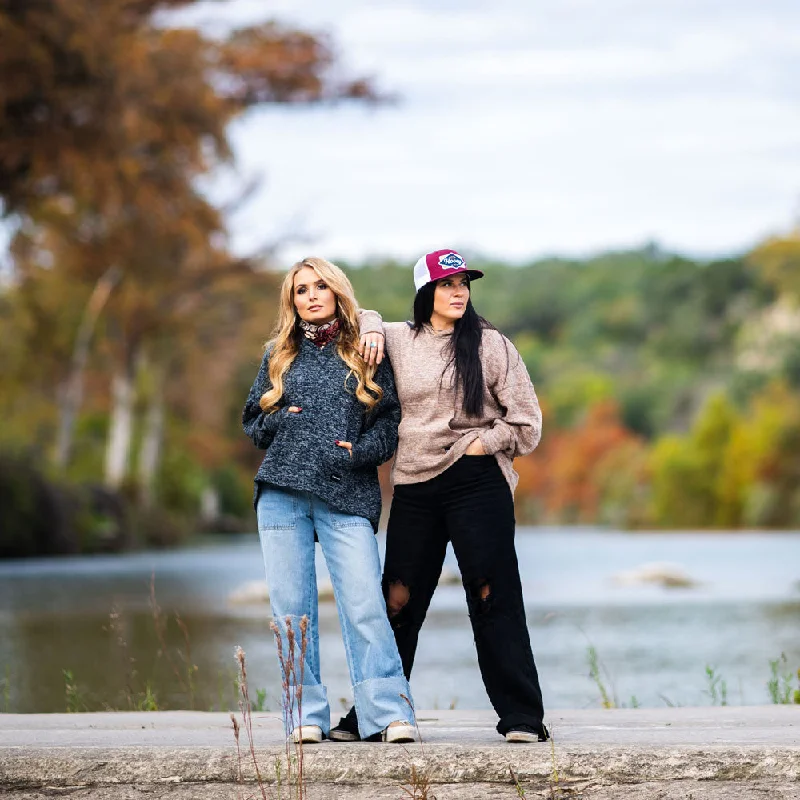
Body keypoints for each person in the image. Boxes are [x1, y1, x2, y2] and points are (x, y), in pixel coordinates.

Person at [330, 249, 548, 743]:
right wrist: (367, 327)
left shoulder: (491, 345)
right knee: (397, 601)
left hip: (477, 483)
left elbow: (527, 422)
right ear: (426, 292)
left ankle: (522, 718)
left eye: (464, 284)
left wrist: (482, 443)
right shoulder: (399, 340)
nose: (459, 292)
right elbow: (351, 313)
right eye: (447, 284)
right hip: (414, 485)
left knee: (492, 595)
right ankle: (373, 713)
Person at [242, 257, 416, 744]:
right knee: (291, 612)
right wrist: (283, 417)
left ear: (337, 292)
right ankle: (304, 716)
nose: (311, 295)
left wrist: (362, 453)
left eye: (320, 286)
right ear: (291, 300)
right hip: (281, 497)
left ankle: (389, 715)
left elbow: (391, 419)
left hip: (347, 495)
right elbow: (253, 422)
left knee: (364, 606)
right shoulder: (278, 353)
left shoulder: (366, 349)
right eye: (301, 290)